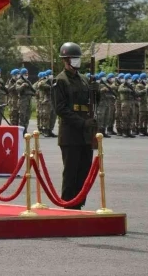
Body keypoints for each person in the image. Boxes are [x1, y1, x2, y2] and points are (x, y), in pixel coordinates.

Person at [53, 42, 96, 210]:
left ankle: (79, 203)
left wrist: (96, 92)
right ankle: (68, 203)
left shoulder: (84, 80)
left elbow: (91, 104)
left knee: (84, 170)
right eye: (74, 58)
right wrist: (82, 123)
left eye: (78, 58)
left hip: (86, 133)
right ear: (66, 60)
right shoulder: (60, 81)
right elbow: (61, 109)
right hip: (70, 133)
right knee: (71, 171)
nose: (77, 61)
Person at [16, 68, 35, 134]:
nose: (27, 75)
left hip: (28, 101)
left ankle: (25, 130)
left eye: (27, 74)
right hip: (23, 102)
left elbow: (33, 91)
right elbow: (18, 89)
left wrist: (31, 93)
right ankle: (21, 132)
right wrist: (23, 85)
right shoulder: (19, 81)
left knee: (27, 117)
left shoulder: (28, 82)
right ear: (22, 74)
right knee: (22, 117)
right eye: (25, 74)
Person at [118, 74, 135, 138]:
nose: (130, 80)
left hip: (131, 102)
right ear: (126, 79)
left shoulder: (131, 85)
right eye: (129, 78)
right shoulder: (122, 85)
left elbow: (134, 92)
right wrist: (128, 89)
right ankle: (124, 131)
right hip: (125, 103)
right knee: (125, 117)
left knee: (131, 117)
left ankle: (129, 131)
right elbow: (120, 90)